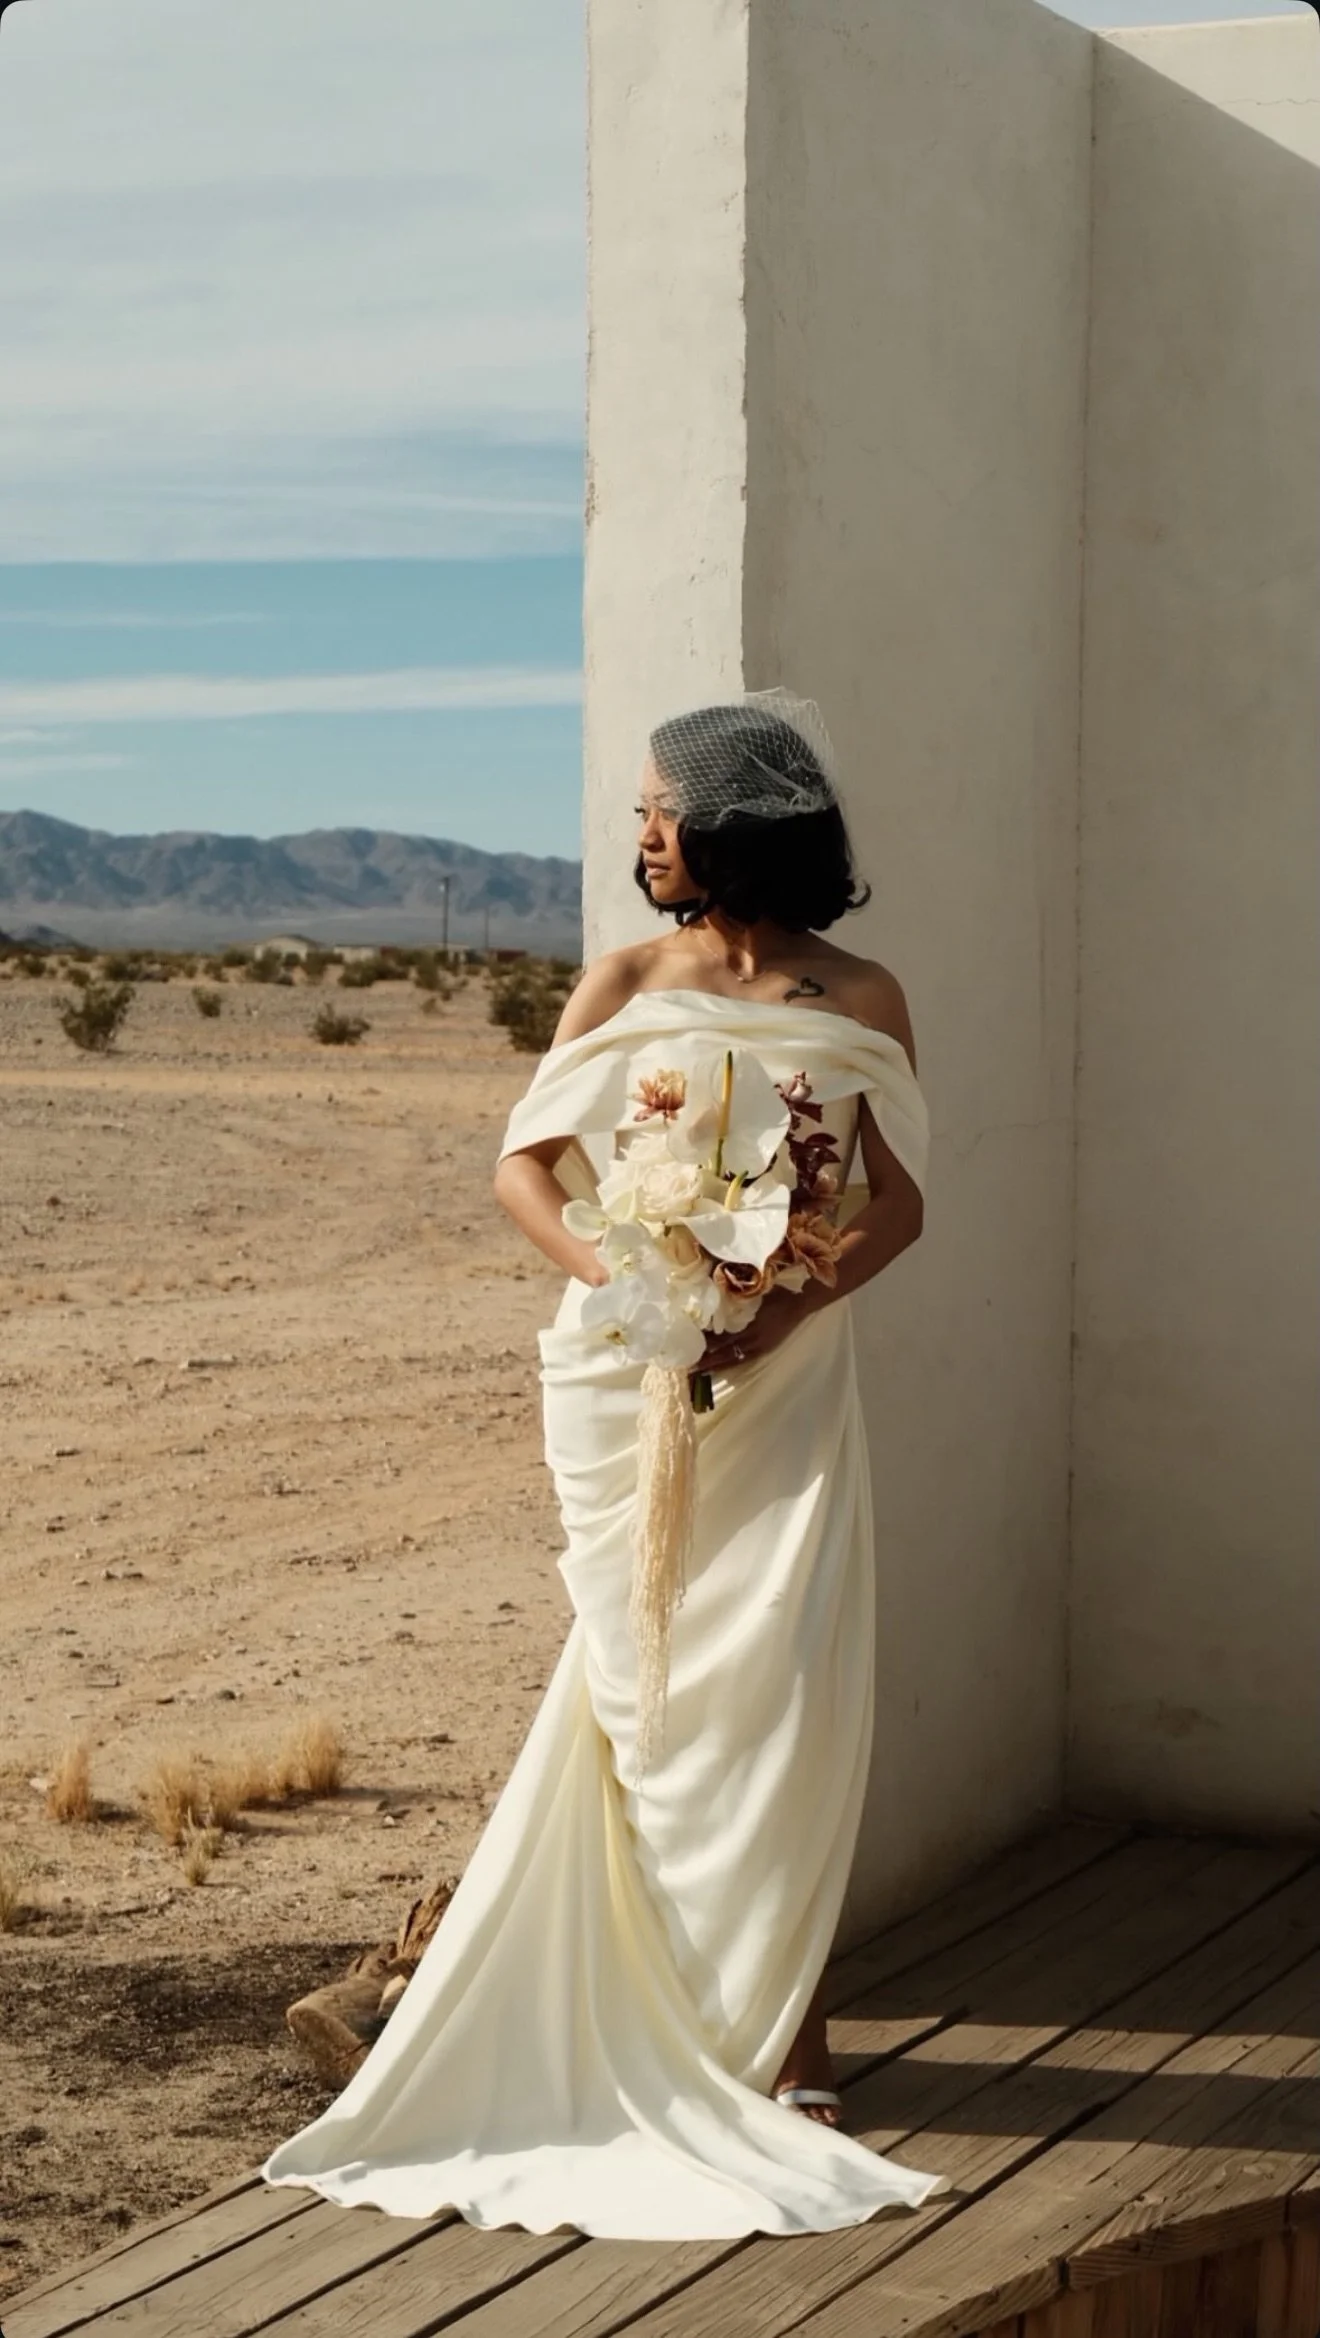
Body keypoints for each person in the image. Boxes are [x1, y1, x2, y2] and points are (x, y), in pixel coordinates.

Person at [262, 689, 945, 2239]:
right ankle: (636, 2025)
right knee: (646, 1696)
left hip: (781, 1382)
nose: (639, 832)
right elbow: (520, 1165)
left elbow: (897, 1199)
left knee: (774, 1686)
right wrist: (625, 1284)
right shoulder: (626, 977)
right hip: (618, 1373)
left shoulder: (866, 993)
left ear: (728, 820)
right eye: (641, 809)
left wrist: (779, 1310)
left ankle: (793, 2040)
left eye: (657, 805)